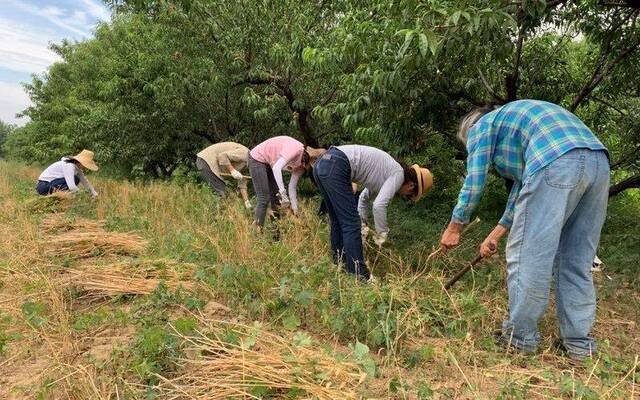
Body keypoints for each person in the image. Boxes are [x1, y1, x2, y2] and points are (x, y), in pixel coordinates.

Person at [439, 100, 609, 361]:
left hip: (557, 162)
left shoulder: (481, 127)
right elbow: (523, 191)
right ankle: (578, 345)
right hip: (598, 163)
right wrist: (494, 236)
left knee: (528, 256)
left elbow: (474, 181)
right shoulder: (521, 128)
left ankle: (519, 338)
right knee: (576, 260)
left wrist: (454, 227)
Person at [313, 145, 432, 280]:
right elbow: (379, 205)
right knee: (351, 224)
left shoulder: (385, 174)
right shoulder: (398, 174)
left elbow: (363, 199)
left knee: (338, 221)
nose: (405, 196)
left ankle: (339, 264)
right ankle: (360, 276)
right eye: (409, 195)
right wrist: (382, 234)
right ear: (411, 186)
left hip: (323, 163)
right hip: (337, 164)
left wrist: (363, 223)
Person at [248, 136, 324, 227]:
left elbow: (292, 186)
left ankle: (276, 235)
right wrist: (283, 194)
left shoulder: (302, 167)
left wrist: (295, 208)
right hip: (257, 158)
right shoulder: (295, 149)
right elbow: (276, 168)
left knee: (276, 201)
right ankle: (257, 233)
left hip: (270, 163)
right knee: (264, 199)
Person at [196, 142, 251, 208]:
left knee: (223, 194)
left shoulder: (248, 166)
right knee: (222, 194)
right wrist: (232, 170)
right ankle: (214, 216)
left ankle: (212, 214)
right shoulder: (245, 154)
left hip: (210, 166)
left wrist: (246, 202)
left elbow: (242, 184)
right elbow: (222, 156)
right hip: (207, 161)